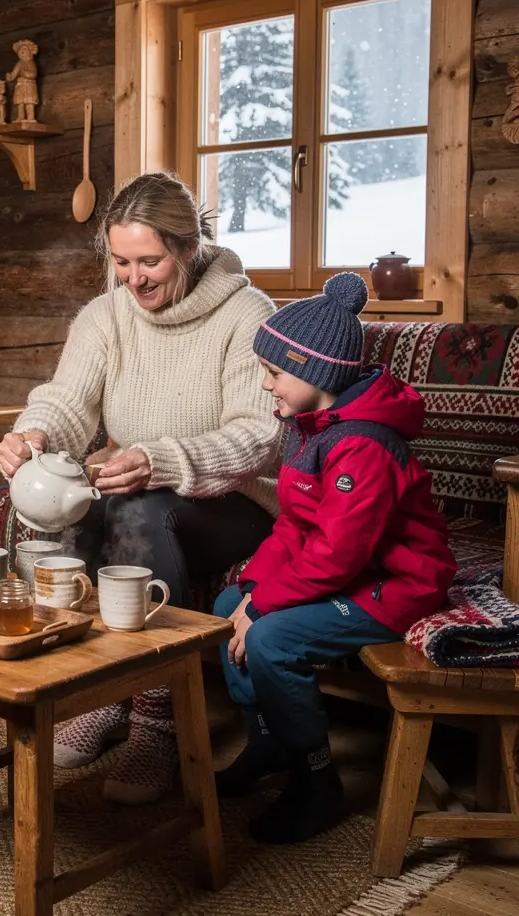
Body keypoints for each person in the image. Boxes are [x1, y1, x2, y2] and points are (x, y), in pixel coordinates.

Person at [0, 172, 282, 804]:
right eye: (121, 262)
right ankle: (100, 695)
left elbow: (262, 436)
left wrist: (162, 460)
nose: (134, 278)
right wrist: (34, 435)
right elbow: (68, 400)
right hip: (141, 487)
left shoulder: (245, 314)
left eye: (149, 261)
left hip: (238, 501)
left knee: (137, 514)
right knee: (73, 508)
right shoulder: (107, 316)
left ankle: (156, 720)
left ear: (189, 247)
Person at [213, 272, 456, 844]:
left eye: (274, 372)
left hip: (394, 585)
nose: (266, 384)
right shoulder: (307, 425)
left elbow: (338, 554)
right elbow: (298, 524)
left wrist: (266, 606)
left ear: (314, 372)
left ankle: (315, 780)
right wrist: (253, 588)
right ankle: (268, 741)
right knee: (229, 602)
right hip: (350, 573)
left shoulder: (364, 444)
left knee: (273, 638)